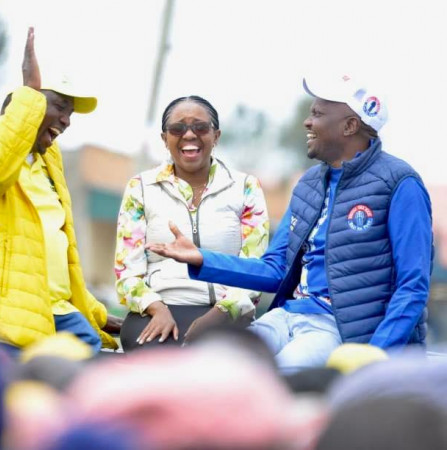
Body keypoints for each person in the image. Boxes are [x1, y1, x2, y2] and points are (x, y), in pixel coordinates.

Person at [146, 74, 433, 373]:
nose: (308, 122)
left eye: (318, 114)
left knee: (272, 381)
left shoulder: (400, 182)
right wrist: (202, 258)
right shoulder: (309, 183)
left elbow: (412, 286)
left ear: (349, 126)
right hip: (286, 316)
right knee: (214, 366)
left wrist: (375, 356)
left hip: (338, 330)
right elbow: (276, 270)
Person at [0, 27, 120, 355]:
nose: (67, 120)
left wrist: (97, 313)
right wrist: (30, 93)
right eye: (59, 106)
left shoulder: (48, 163)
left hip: (55, 315)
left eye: (70, 113)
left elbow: (54, 258)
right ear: (24, 103)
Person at [115, 95, 269, 351]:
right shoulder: (140, 187)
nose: (189, 135)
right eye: (177, 128)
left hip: (226, 314)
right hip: (158, 312)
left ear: (216, 136)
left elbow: (256, 269)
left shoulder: (245, 187)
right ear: (165, 139)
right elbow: (126, 272)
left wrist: (219, 315)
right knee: (156, 361)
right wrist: (156, 308)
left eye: (200, 127)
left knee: (218, 364)